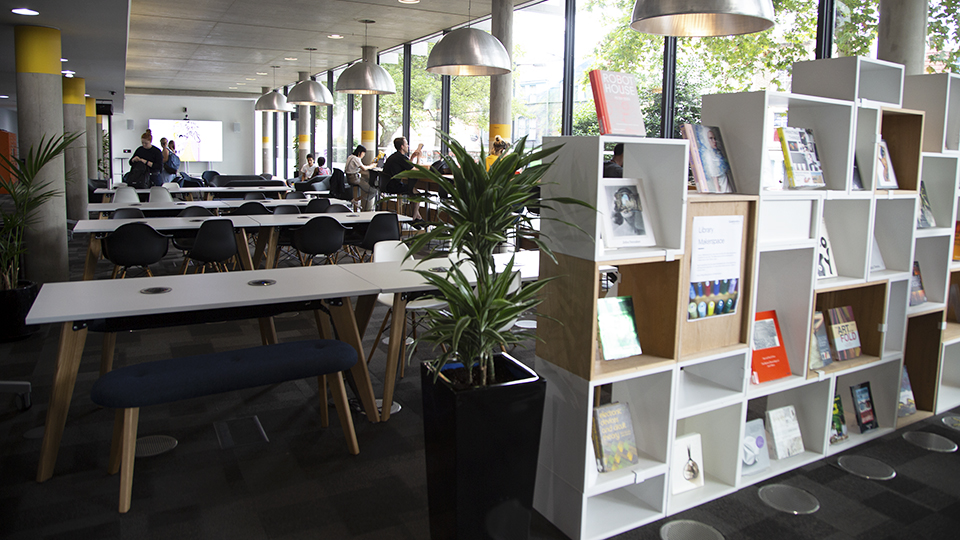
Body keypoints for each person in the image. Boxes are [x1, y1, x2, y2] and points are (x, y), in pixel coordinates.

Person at [382, 136, 424, 221]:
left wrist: (412, 158)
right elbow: (415, 170)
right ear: (402, 146)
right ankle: (414, 218)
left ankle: (418, 217)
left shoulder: (395, 156)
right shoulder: (401, 158)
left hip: (386, 185)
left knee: (412, 191)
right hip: (393, 186)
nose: (408, 146)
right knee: (416, 194)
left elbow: (408, 167)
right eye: (406, 144)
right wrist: (419, 158)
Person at [344, 145, 377, 211]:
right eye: (364, 153)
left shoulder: (350, 157)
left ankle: (356, 200)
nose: (363, 155)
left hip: (349, 178)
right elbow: (364, 168)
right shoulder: (356, 158)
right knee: (373, 191)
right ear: (360, 152)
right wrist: (372, 166)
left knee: (365, 180)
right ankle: (356, 200)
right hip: (354, 179)